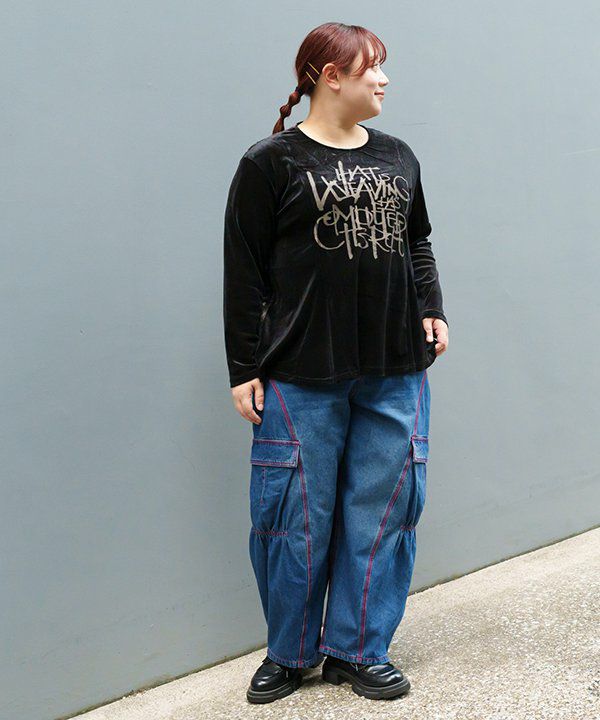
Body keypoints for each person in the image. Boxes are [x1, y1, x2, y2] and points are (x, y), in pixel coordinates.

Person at [223, 22, 449, 704]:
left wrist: (432, 307)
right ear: (330, 75)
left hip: (395, 366)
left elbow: (417, 242)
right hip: (300, 373)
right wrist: (243, 368)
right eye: (372, 67)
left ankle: (358, 651)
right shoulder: (271, 163)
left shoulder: (398, 155)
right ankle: (290, 655)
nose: (384, 79)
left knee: (382, 514)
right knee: (294, 517)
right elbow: (244, 272)